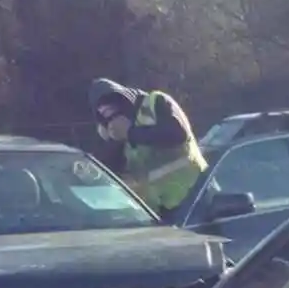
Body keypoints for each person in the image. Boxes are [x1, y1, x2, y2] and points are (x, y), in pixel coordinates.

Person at [89, 78, 207, 215]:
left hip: (195, 196)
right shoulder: (118, 132)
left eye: (111, 109)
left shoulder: (156, 101)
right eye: (104, 115)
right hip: (158, 209)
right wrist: (111, 142)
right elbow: (113, 169)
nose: (111, 118)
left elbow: (177, 134)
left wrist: (130, 132)